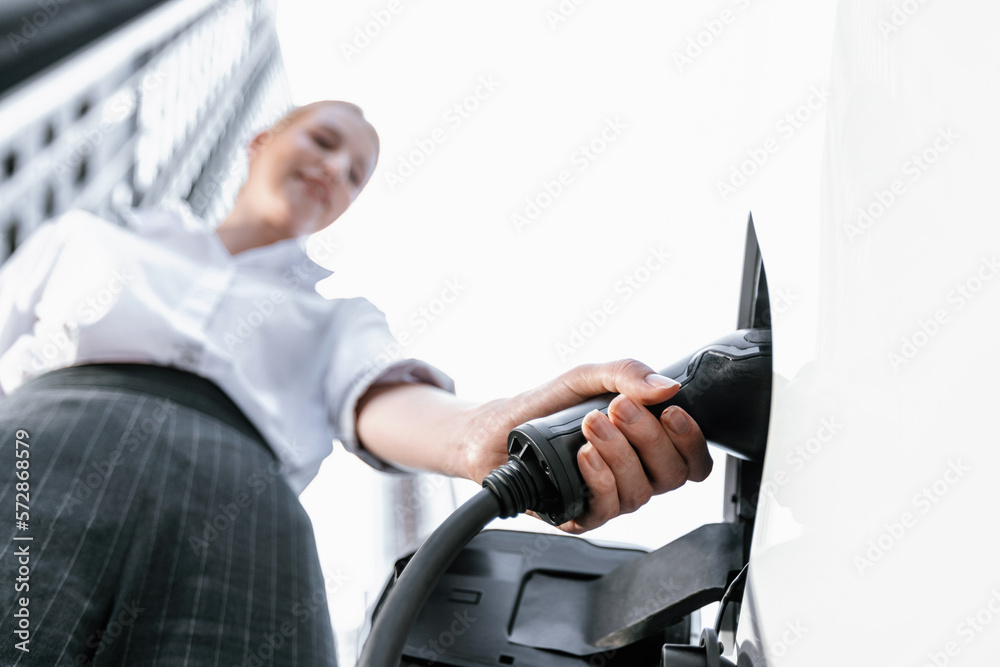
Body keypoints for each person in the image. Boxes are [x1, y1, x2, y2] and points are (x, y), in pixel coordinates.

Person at [0, 100, 711, 665]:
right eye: (322, 141)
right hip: (44, 446)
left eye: (355, 173)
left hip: (243, 509)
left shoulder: (337, 318)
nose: (334, 169)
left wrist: (487, 435)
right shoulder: (88, 237)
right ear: (260, 141)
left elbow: (381, 399)